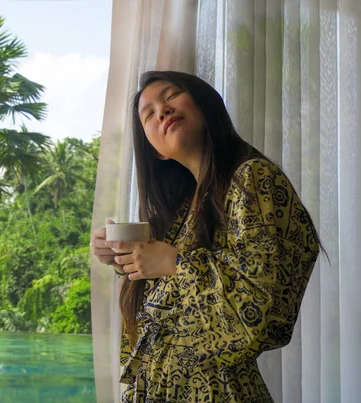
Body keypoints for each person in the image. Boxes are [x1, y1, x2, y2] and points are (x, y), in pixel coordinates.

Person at [91, 71, 321, 402]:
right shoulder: (186, 208)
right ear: (156, 152)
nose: (162, 111)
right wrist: (122, 260)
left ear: (204, 103)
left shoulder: (253, 178)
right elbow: (169, 306)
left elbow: (260, 303)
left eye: (171, 96)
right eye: (149, 114)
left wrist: (175, 264)